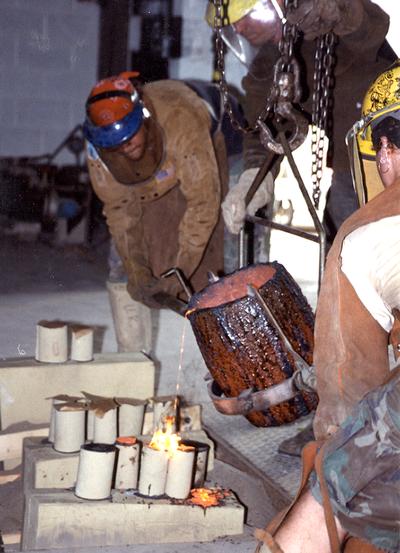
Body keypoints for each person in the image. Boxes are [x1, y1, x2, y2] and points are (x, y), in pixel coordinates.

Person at [254, 61, 400, 553]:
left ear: (382, 148)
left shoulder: (368, 234)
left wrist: (324, 466)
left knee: (337, 479)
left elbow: (348, 390)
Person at [206, 0, 397, 244]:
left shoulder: (324, 25)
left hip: (391, 148)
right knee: (343, 247)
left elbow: (374, 27)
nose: (239, 29)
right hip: (350, 171)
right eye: (232, 25)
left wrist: (339, 10)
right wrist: (253, 180)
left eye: (243, 18)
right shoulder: (268, 65)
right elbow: (261, 127)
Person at [83, 73, 234, 352]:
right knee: (133, 267)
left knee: (218, 263)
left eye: (129, 137)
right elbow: (120, 213)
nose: (125, 148)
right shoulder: (99, 149)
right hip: (161, 170)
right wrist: (136, 268)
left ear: (143, 117)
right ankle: (134, 362)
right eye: (115, 145)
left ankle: (231, 353)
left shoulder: (179, 118)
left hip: (217, 137)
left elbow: (203, 204)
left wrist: (179, 274)